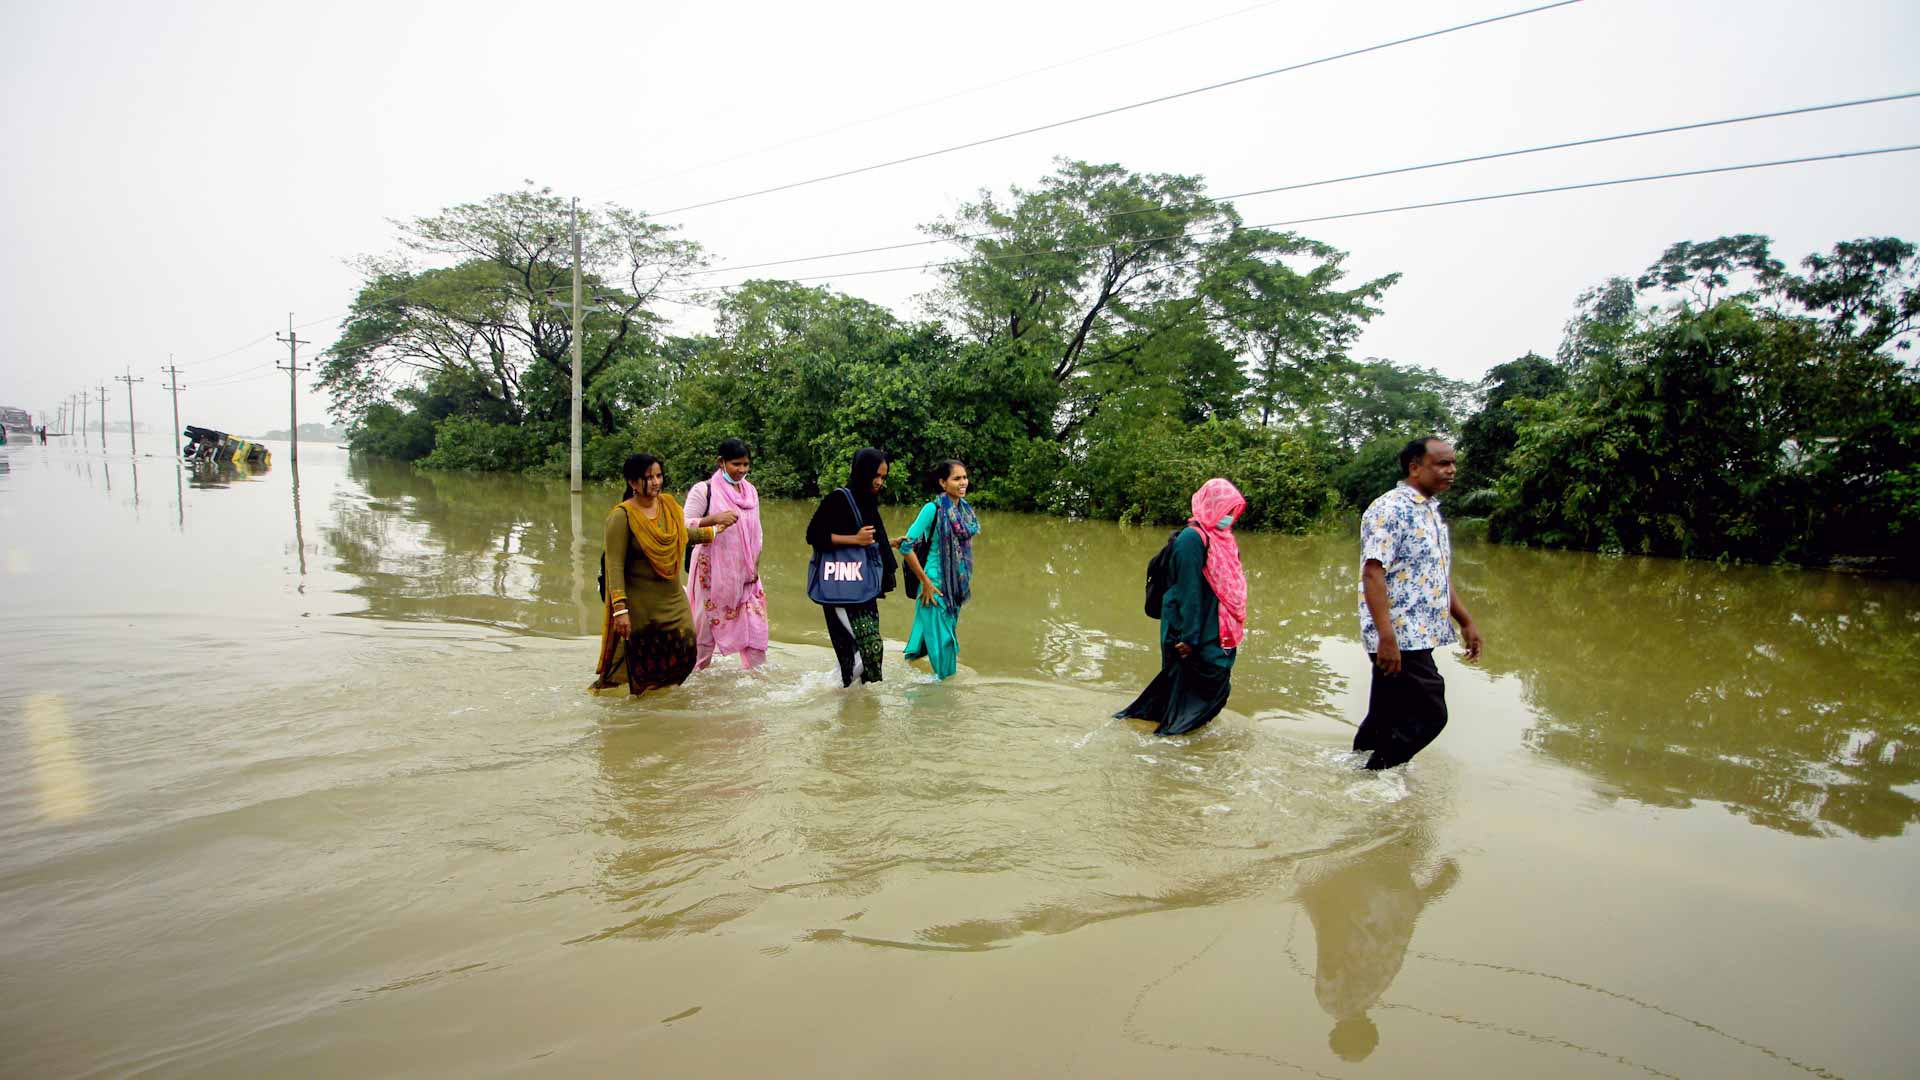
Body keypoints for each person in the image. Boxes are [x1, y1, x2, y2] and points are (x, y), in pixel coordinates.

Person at [1353, 436, 1484, 770]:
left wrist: (1465, 620)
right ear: (1414, 468)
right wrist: (1386, 637)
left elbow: (1434, 574)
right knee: (1431, 713)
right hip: (1399, 636)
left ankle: (1356, 775)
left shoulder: (1430, 513)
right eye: (1442, 463)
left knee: (1385, 714)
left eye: (1453, 463)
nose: (1451, 470)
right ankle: (1378, 773)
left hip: (1417, 633)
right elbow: (1372, 573)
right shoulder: (1389, 509)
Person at [1115, 478, 1249, 736]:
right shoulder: (1191, 539)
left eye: (1232, 510)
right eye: (1225, 509)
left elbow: (1230, 589)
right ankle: (1166, 744)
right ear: (1210, 506)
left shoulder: (1225, 541)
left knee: (1196, 690)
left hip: (1213, 630)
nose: (1229, 516)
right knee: (1195, 689)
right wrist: (1189, 638)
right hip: (1187, 631)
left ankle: (1167, 736)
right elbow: (1189, 592)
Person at [592, 453, 728, 696]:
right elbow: (614, 565)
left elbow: (682, 536)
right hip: (641, 604)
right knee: (644, 658)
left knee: (686, 649)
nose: (656, 482)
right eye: (649, 477)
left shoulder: (669, 506)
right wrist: (620, 609)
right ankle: (644, 706)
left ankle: (665, 694)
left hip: (673, 598)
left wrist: (714, 531)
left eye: (658, 475)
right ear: (632, 483)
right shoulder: (621, 517)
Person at [805, 448, 896, 687]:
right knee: (868, 651)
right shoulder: (838, 498)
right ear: (862, 472)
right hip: (840, 587)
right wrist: (854, 540)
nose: (879, 482)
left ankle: (851, 711)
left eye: (883, 477)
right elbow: (813, 534)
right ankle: (829, 695)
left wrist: (888, 544)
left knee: (862, 651)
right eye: (875, 475)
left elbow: (870, 537)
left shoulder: (867, 500)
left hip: (863, 587)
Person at [682, 438, 767, 671]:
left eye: (746, 465)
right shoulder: (704, 491)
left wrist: (754, 568)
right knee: (704, 636)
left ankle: (756, 683)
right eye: (736, 464)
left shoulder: (751, 492)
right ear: (721, 462)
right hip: (711, 577)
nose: (741, 470)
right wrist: (714, 520)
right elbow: (682, 529)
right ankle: (693, 683)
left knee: (755, 631)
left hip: (747, 575)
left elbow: (756, 534)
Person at [899, 459, 980, 680]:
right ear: (943, 483)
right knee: (945, 645)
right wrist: (925, 582)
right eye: (956, 478)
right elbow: (906, 546)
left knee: (926, 645)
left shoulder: (965, 513)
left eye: (964, 477)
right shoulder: (931, 509)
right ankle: (944, 700)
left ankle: (912, 689)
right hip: (933, 585)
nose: (963, 482)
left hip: (954, 588)